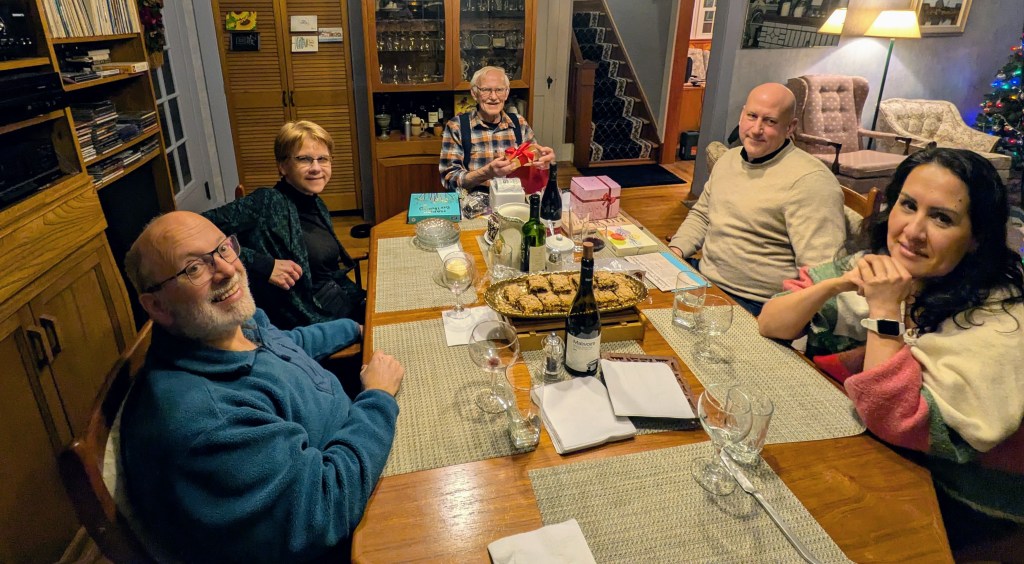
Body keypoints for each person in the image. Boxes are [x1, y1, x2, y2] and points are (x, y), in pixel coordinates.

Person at [758, 148, 1024, 543]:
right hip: (869, 455)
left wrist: (884, 310)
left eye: (942, 218)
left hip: (955, 500)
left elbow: (897, 421)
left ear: (976, 238)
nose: (913, 232)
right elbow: (771, 323)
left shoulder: (1002, 319)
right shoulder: (874, 265)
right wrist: (833, 285)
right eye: (909, 205)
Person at [119, 211, 405, 563]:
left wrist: (353, 329)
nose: (225, 269)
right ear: (157, 305)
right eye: (193, 268)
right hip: (356, 518)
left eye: (223, 248)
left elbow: (283, 343)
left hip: (359, 442)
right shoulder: (208, 421)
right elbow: (323, 509)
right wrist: (376, 398)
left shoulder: (226, 327)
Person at [667, 82, 846, 316]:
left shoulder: (810, 181)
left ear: (790, 127)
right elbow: (702, 215)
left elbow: (821, 271)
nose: (756, 129)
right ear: (742, 114)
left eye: (770, 121)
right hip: (703, 279)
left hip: (756, 303)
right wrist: (675, 253)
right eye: (752, 116)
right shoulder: (728, 160)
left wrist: (784, 317)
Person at [203, 121, 365, 330]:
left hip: (338, 301)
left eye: (322, 159)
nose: (316, 168)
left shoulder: (316, 203)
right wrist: (264, 265)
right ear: (283, 166)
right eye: (304, 159)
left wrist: (363, 302)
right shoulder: (266, 202)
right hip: (310, 320)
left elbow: (328, 272)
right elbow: (194, 230)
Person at [439, 66, 555, 193]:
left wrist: (545, 161)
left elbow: (533, 163)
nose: (493, 97)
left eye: (499, 90)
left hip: (513, 199)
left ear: (506, 93)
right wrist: (487, 172)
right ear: (474, 93)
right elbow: (449, 179)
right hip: (474, 204)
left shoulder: (519, 123)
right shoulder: (457, 126)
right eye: (486, 90)